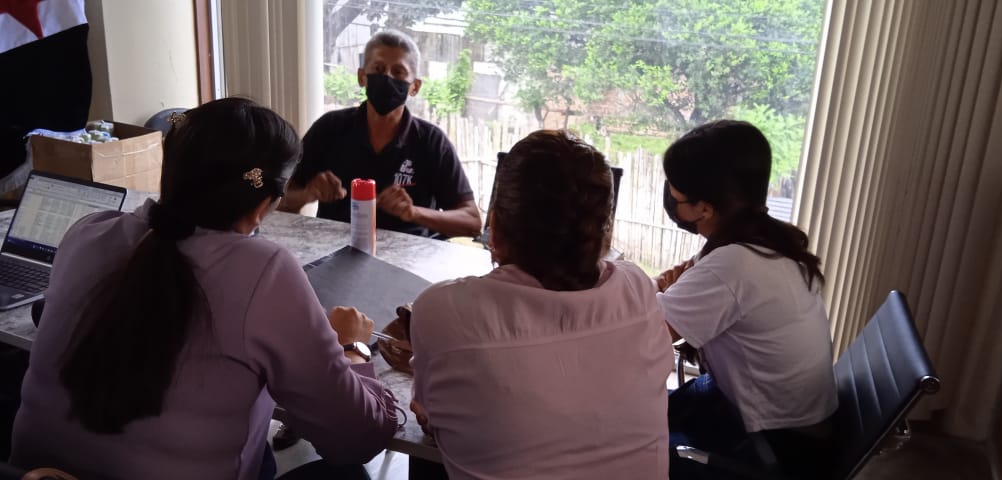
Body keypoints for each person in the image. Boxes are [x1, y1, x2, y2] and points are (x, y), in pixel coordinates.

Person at [10, 98, 398, 480]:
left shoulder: (88, 233)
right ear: (262, 206)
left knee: (256, 446)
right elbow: (357, 438)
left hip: (37, 474)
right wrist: (353, 348)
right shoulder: (263, 272)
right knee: (348, 476)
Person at [409, 130, 674, 479]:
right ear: (603, 233)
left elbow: (429, 413)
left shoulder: (443, 310)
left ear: (495, 228)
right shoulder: (637, 289)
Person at [655, 120, 838, 479]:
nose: (671, 200)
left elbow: (644, 338)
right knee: (638, 419)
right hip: (795, 422)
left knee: (621, 446)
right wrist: (661, 289)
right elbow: (673, 284)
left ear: (704, 208)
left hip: (780, 448)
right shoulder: (766, 239)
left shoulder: (732, 266)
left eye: (676, 195)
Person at [280, 29, 481, 239]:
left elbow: (472, 222)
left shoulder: (431, 142)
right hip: (333, 249)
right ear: (362, 77)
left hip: (408, 255)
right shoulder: (329, 129)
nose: (387, 77)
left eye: (398, 72)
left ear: (414, 87)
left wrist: (414, 213)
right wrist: (308, 194)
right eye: (378, 68)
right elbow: (277, 199)